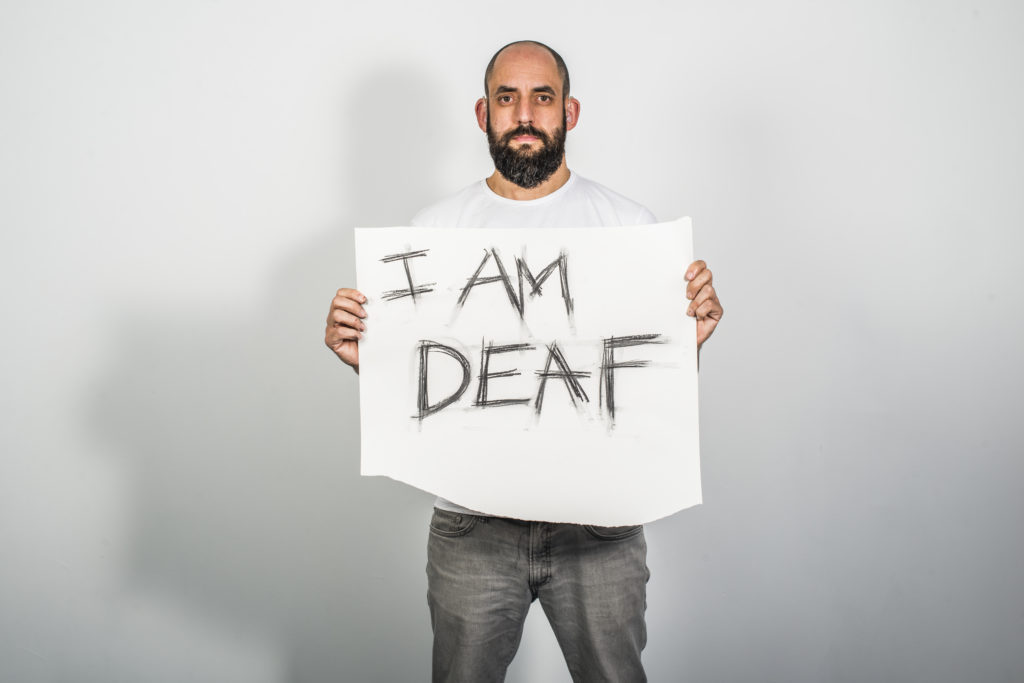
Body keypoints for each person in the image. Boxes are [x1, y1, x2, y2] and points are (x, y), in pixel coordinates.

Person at [325, 40, 723, 683]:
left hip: (601, 527)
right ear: (483, 114)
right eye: (508, 98)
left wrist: (688, 342)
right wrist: (361, 359)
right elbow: (426, 380)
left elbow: (640, 384)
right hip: (472, 527)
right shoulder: (434, 233)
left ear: (570, 111)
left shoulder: (630, 229)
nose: (526, 113)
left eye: (543, 97)